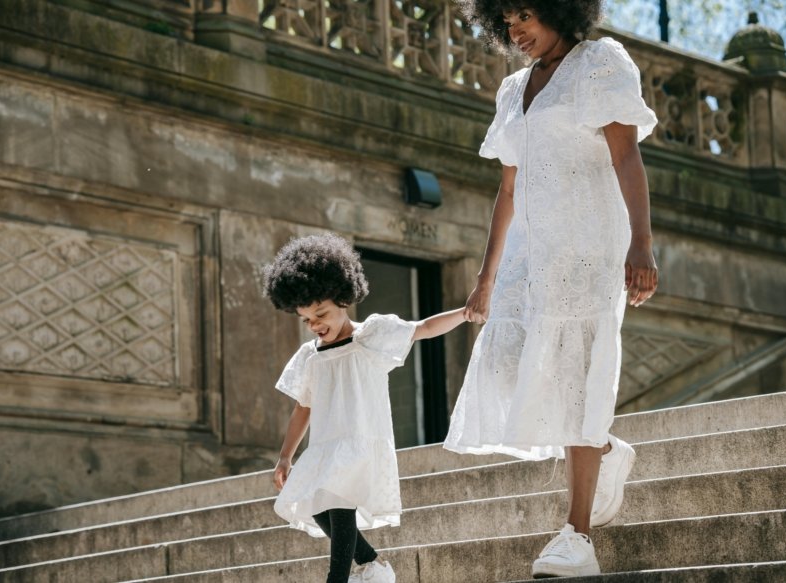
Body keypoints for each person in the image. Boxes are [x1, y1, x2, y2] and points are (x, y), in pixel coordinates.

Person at [442, 0, 659, 578]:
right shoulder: (512, 88)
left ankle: (578, 536)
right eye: (506, 21)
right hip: (529, 251)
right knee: (507, 367)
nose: (516, 31)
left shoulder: (600, 61)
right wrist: (487, 278)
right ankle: (607, 451)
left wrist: (642, 244)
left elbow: (626, 155)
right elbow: (507, 190)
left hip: (589, 243)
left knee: (575, 373)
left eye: (527, 15)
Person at [263, 233, 467, 583]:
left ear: (343, 299)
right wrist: (285, 456)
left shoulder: (370, 337)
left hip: (360, 440)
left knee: (339, 511)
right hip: (326, 446)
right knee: (319, 509)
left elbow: (423, 328)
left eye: (321, 313)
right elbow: (303, 407)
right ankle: (373, 567)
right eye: (306, 319)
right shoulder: (310, 357)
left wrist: (465, 313)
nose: (315, 324)